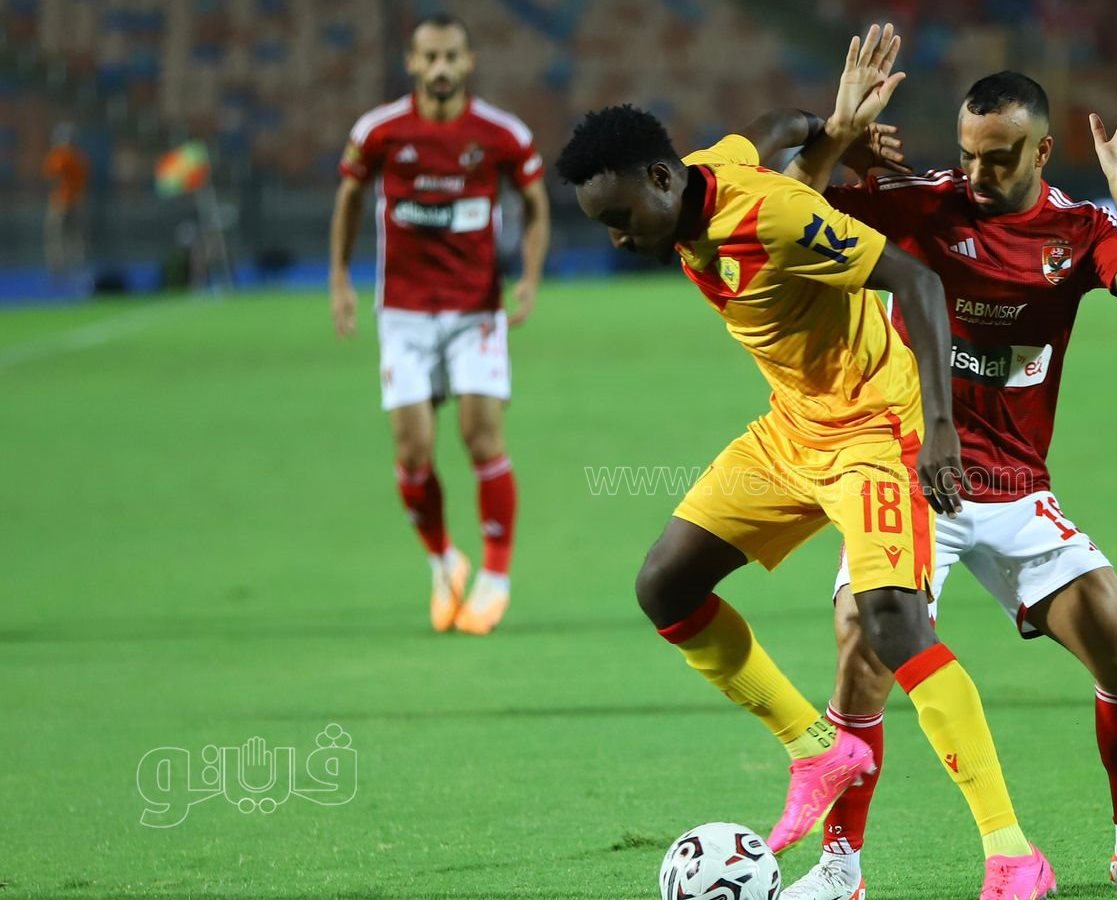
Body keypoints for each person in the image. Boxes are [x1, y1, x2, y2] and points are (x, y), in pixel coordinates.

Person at [554, 24, 1055, 900]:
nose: (620, 239)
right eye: (606, 226)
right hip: (793, 429)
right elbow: (775, 125)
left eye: (622, 218)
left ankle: (1013, 853)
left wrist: (941, 429)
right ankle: (816, 748)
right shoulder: (707, 170)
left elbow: (919, 283)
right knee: (665, 586)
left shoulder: (775, 219)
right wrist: (834, 130)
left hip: (874, 431)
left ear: (662, 180)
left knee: (893, 624)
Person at [777, 67, 1117, 896]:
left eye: (999, 157)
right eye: (968, 155)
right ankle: (839, 867)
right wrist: (835, 140)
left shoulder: (1079, 228)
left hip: (1016, 486)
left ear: (1042, 151)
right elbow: (784, 215)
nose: (978, 174)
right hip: (909, 477)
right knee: (862, 645)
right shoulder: (922, 205)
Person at [328, 13, 550, 635]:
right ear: (412, 63)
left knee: (482, 439)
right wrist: (340, 278)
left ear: (469, 61)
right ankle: (443, 560)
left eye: (452, 56)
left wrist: (530, 277)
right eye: (430, 57)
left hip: (475, 310)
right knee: (412, 453)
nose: (441, 67)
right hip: (403, 313)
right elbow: (349, 197)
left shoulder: (501, 134)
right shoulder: (379, 132)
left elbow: (536, 204)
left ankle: (495, 577)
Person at [42, 124, 90, 278]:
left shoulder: (59, 156)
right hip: (77, 200)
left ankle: (59, 268)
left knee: (56, 235)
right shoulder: (80, 157)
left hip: (61, 201)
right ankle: (77, 266)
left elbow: (53, 177)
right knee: (75, 236)